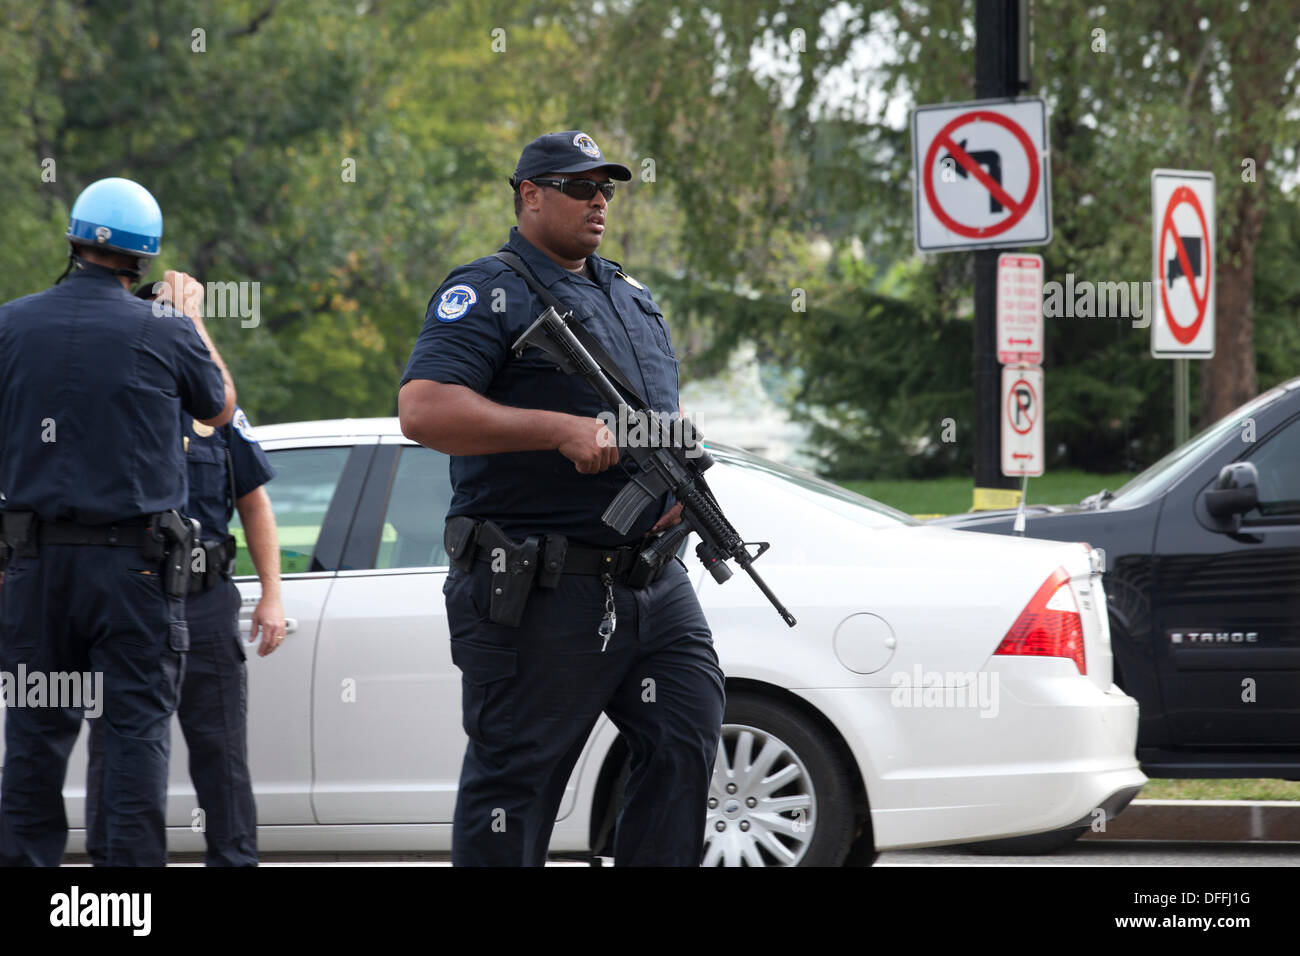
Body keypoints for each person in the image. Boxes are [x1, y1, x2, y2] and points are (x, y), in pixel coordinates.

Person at [398, 130, 725, 867]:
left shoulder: (632, 297)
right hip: (542, 588)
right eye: (579, 187)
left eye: (606, 187)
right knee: (516, 788)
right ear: (530, 195)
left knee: (685, 740)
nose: (598, 200)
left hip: (651, 581)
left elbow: (649, 417)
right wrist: (559, 430)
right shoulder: (485, 290)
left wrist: (676, 487)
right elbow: (422, 411)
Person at [0, 177, 235, 866]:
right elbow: (217, 407)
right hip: (133, 572)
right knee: (134, 737)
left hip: (34, 568)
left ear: (72, 238)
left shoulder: (10, 323)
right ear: (145, 255)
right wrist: (188, 316)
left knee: (34, 739)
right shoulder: (161, 327)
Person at [85, 382, 285, 865]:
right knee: (119, 751)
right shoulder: (104, 403)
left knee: (223, 756)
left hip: (206, 601)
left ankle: (233, 860)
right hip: (130, 605)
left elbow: (253, 503)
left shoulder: (217, 414)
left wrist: (272, 595)